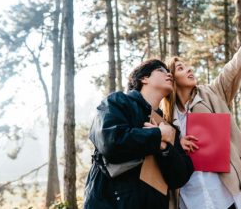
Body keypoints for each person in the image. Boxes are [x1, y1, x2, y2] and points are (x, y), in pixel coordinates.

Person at [161, 0, 241, 209]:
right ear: (171, 80)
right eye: (181, 68)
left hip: (224, 196)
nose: (189, 69)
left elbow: (237, 64)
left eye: (188, 65)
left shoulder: (212, 94)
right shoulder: (164, 118)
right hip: (190, 200)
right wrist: (177, 145)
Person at [83, 59, 194, 209]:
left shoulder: (168, 127)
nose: (169, 74)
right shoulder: (117, 102)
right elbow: (110, 141)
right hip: (111, 203)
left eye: (168, 71)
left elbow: (180, 177)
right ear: (144, 78)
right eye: (161, 70)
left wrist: (165, 148)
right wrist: (157, 136)